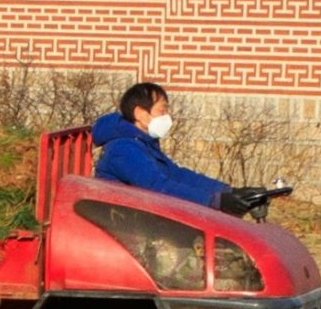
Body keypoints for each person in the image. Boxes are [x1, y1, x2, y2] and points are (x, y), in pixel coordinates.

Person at [89, 83, 253, 215]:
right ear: (141, 114)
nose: (167, 116)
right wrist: (214, 201)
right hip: (123, 223)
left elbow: (176, 174)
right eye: (162, 110)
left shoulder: (143, 143)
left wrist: (227, 191)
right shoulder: (123, 149)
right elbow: (158, 187)